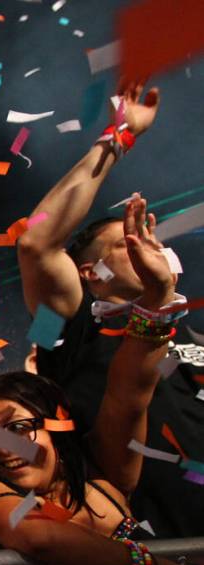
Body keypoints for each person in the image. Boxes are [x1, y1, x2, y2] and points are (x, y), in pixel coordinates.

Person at [0, 198, 204, 565]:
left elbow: (129, 396)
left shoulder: (103, 476)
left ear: (55, 423)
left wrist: (159, 297)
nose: (1, 446)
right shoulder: (64, 332)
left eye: (18, 427)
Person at [15, 82, 201, 537]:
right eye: (126, 243)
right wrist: (118, 138)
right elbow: (35, 241)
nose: (147, 248)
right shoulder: (75, 323)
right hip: (152, 557)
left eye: (149, 238)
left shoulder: (191, 339)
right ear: (88, 272)